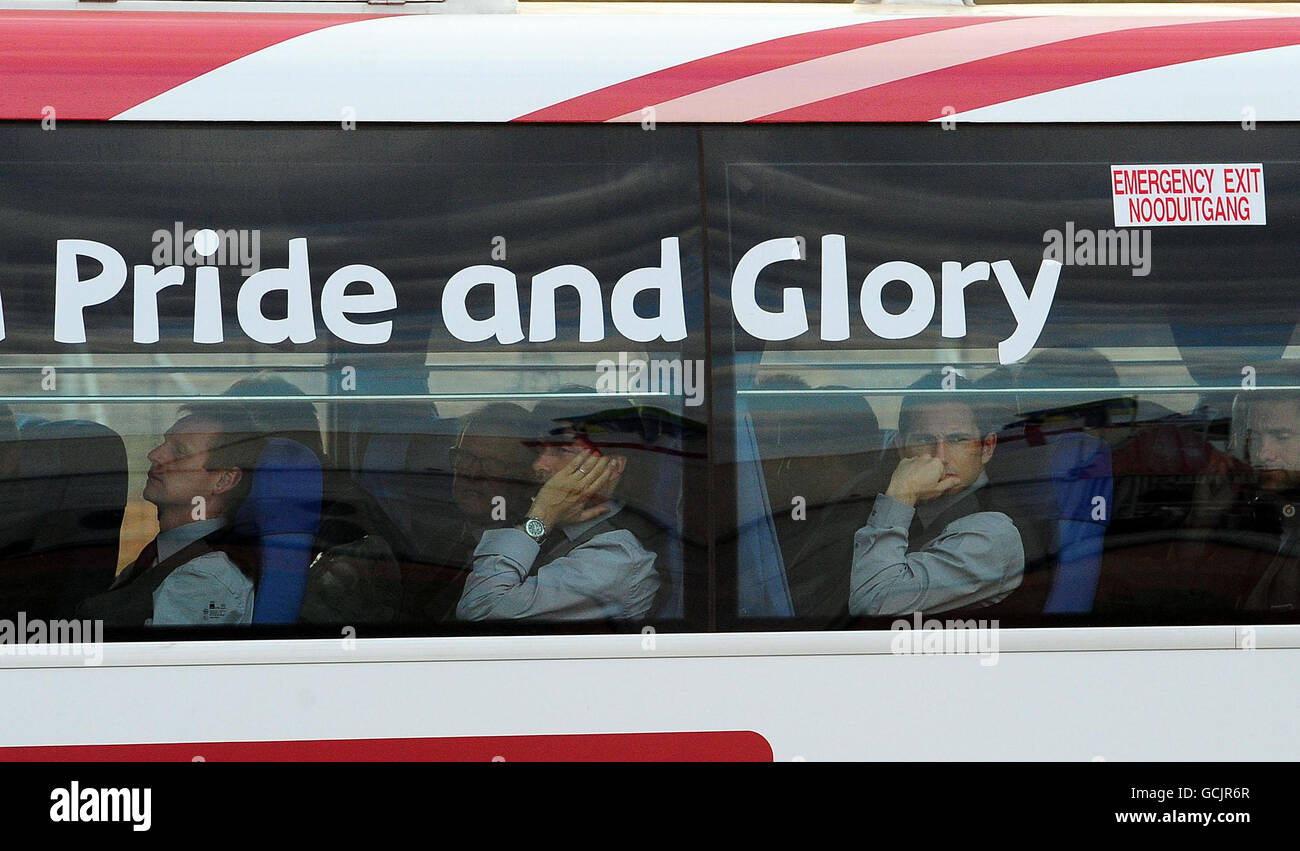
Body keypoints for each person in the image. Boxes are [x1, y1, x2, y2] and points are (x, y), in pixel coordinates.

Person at [455, 398, 661, 622]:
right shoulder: (550, 522)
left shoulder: (617, 557)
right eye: (540, 450)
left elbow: (480, 609)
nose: (539, 465)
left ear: (613, 467)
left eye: (562, 450)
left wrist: (541, 516)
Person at [848, 375, 1024, 616]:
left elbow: (874, 603)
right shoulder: (871, 498)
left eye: (957, 439)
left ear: (987, 447)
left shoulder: (993, 532)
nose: (940, 455)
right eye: (924, 439)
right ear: (902, 448)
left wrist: (901, 495)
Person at [79, 404, 264, 626]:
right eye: (164, 442)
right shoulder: (166, 558)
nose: (154, 454)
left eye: (179, 451)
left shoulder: (203, 579)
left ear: (224, 480)